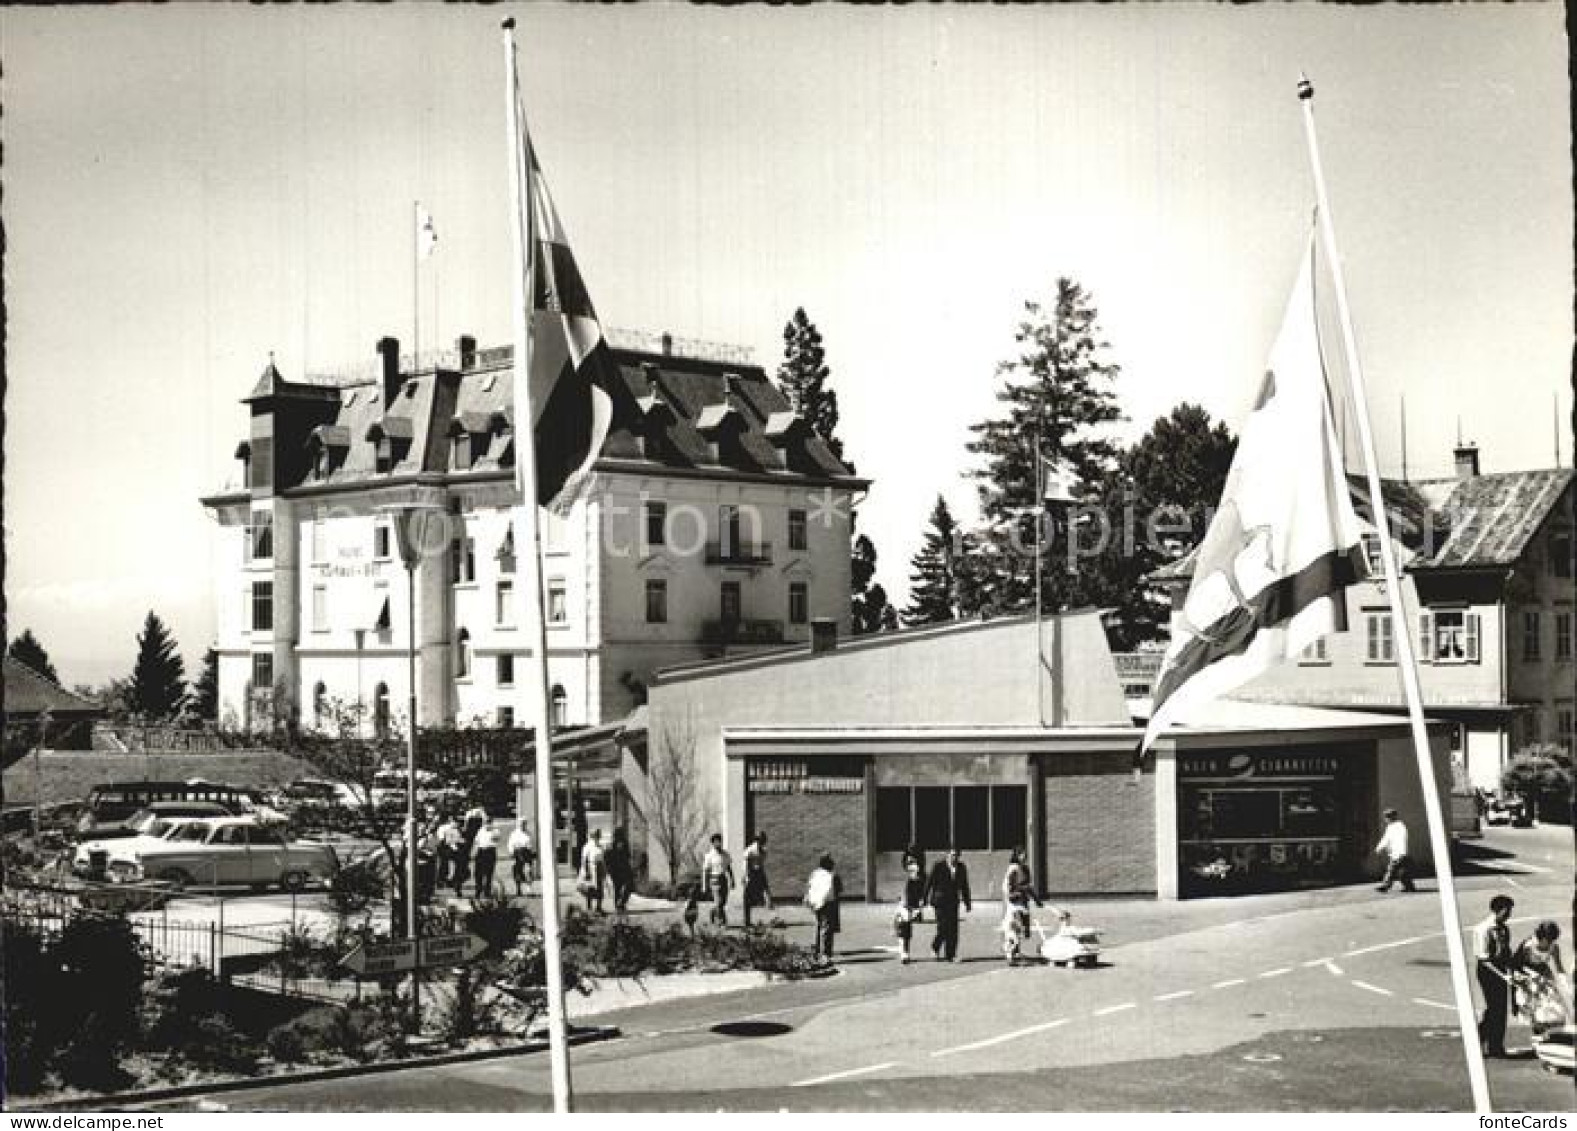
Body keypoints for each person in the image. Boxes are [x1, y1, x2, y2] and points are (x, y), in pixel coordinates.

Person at [1473, 894, 1516, 1057]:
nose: (1509, 915)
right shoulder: (1483, 929)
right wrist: (1503, 976)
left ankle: (1496, 1046)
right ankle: (1479, 1039)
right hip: (1488, 970)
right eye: (1507, 911)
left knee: (1501, 1009)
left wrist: (1509, 971)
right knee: (1494, 1008)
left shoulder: (1504, 928)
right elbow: (1484, 959)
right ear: (1498, 910)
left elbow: (1506, 952)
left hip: (1500, 968)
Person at [1513, 921, 1569, 1036]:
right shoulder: (1528, 945)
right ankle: (1538, 1035)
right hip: (1527, 976)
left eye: (1552, 940)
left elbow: (1559, 966)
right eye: (1548, 940)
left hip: (1544, 974)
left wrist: (1564, 981)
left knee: (1553, 1003)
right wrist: (1532, 976)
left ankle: (1554, 1034)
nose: (1550, 943)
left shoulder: (1553, 947)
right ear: (1541, 937)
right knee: (1534, 1007)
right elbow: (1517, 965)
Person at [924, 847, 972, 962]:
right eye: (952, 855)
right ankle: (935, 948)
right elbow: (929, 882)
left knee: (953, 929)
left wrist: (967, 902)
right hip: (940, 901)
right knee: (943, 927)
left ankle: (951, 954)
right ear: (947, 855)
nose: (954, 858)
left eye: (956, 855)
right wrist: (924, 898)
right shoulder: (938, 866)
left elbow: (964, 886)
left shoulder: (961, 867)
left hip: (953, 902)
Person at [1001, 847, 1042, 965]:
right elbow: (1007, 887)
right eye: (1021, 855)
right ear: (1017, 855)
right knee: (1013, 928)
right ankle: (1010, 953)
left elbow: (1029, 886)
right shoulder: (1013, 869)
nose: (1023, 857)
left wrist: (1036, 900)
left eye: (1024, 855)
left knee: (1021, 929)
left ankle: (1015, 951)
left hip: (1023, 902)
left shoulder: (1025, 869)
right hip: (1014, 903)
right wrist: (1013, 895)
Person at [804, 853, 843, 964]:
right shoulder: (832, 875)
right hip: (829, 903)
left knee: (819, 926)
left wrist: (809, 899)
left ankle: (817, 951)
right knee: (827, 929)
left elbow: (809, 887)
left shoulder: (814, 874)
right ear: (828, 864)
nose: (833, 863)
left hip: (816, 903)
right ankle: (825, 953)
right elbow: (838, 891)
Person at [1373, 808, 1416, 893]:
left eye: (1387, 817)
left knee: (1391, 870)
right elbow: (1388, 839)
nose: (1386, 819)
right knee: (1403, 873)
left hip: (1398, 853)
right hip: (1402, 853)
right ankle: (1409, 887)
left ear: (1390, 818)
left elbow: (1386, 839)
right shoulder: (1400, 826)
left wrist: (1379, 848)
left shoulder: (1394, 827)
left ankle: (1385, 885)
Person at [895, 858, 927, 964]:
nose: (914, 871)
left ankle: (905, 952)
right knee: (902, 927)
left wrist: (919, 906)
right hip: (904, 906)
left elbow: (922, 895)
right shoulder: (906, 880)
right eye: (912, 869)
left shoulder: (920, 881)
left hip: (912, 906)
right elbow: (902, 895)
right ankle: (904, 953)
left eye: (916, 869)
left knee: (907, 929)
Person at [701, 833, 735, 927]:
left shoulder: (725, 854)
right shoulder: (709, 855)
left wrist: (732, 880)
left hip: (723, 879)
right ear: (712, 843)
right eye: (715, 842)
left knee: (723, 902)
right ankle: (721, 921)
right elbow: (705, 871)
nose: (717, 843)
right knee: (719, 902)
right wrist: (704, 885)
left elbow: (728, 868)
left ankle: (713, 912)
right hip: (714, 879)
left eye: (719, 841)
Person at [742, 831, 772, 928]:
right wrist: (746, 876)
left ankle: (769, 904)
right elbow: (746, 864)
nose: (762, 843)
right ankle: (746, 920)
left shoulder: (763, 851)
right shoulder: (750, 850)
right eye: (760, 840)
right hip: (750, 873)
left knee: (766, 889)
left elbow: (761, 863)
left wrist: (762, 876)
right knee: (747, 897)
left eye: (763, 841)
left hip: (759, 872)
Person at [606, 827, 635, 915]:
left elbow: (628, 856)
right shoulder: (615, 845)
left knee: (623, 887)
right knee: (621, 887)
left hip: (620, 870)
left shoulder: (621, 844)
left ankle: (620, 904)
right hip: (618, 870)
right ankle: (620, 905)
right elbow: (608, 857)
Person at [578, 828, 607, 913]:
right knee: (590, 889)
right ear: (592, 836)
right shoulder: (587, 846)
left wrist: (604, 870)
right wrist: (586, 871)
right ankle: (589, 907)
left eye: (598, 836)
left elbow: (603, 859)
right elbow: (583, 859)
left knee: (600, 889)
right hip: (590, 868)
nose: (597, 838)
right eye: (595, 836)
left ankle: (599, 907)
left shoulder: (601, 846)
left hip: (599, 868)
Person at [507, 820, 535, 896]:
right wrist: (511, 852)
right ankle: (518, 889)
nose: (522, 825)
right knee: (517, 871)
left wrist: (532, 852)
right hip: (517, 852)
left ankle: (529, 890)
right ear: (518, 825)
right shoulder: (514, 834)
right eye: (521, 824)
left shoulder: (528, 833)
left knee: (528, 870)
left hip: (527, 852)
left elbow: (532, 843)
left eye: (524, 824)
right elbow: (510, 844)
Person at [435, 815, 460, 886]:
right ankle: (441, 880)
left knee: (449, 865)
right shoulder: (444, 828)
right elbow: (441, 839)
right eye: (455, 822)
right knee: (444, 864)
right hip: (445, 848)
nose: (456, 824)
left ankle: (448, 880)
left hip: (451, 848)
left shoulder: (455, 829)